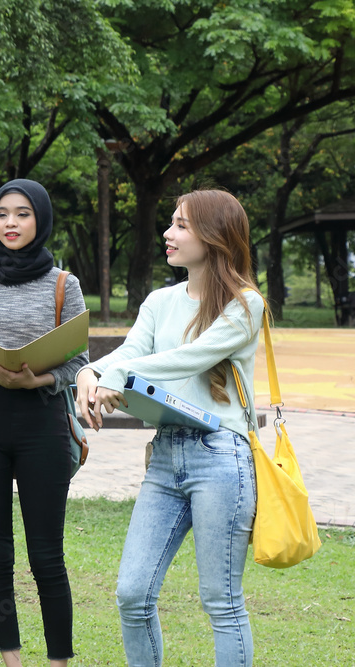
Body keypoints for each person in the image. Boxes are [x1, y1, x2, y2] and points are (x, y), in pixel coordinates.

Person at [76, 189, 264, 667]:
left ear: (215, 236)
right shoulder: (160, 301)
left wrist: (119, 375)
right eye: (171, 222)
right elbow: (131, 352)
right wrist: (90, 372)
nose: (168, 233)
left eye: (181, 225)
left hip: (222, 458)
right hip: (165, 457)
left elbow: (189, 358)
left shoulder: (246, 305)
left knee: (221, 601)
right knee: (132, 593)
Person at [0, 179, 88, 667]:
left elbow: (79, 362)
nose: (10, 223)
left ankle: (59, 662)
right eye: (2, 213)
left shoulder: (64, 284)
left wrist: (38, 379)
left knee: (47, 555)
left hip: (42, 423)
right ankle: (11, 659)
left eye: (23, 214)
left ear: (41, 219)